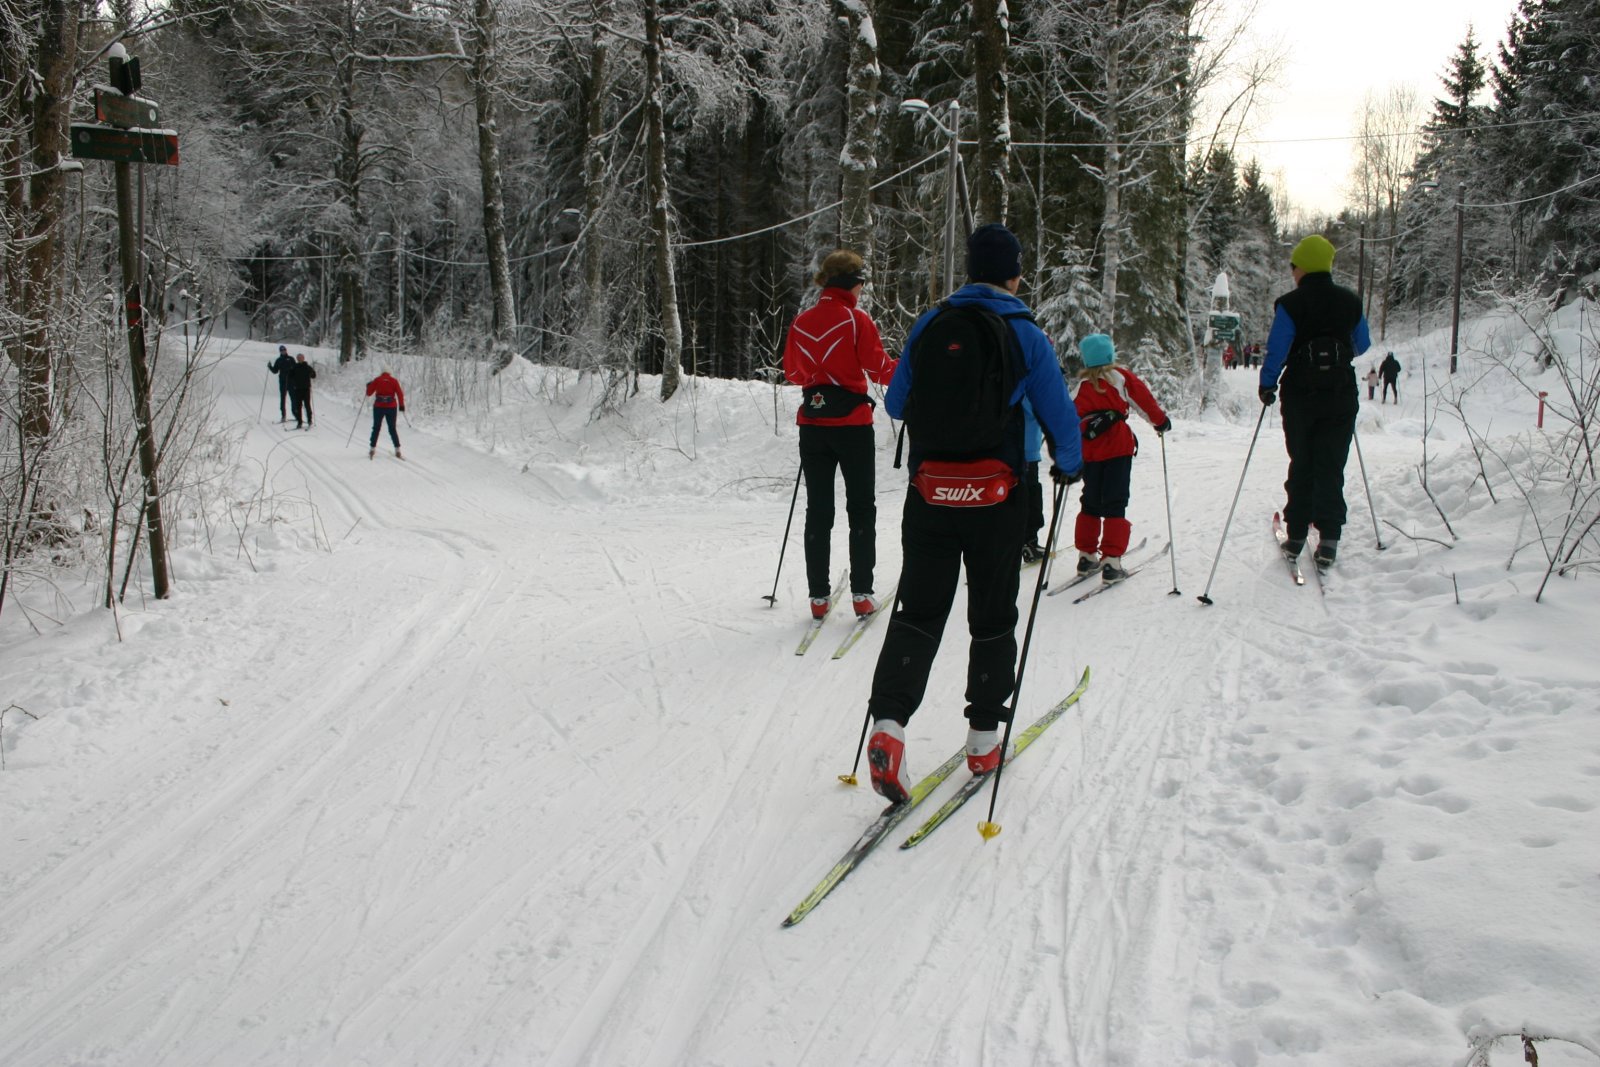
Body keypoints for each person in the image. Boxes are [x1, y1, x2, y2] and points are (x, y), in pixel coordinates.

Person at [864, 223, 1084, 802]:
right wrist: (1071, 462)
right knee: (992, 613)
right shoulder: (1023, 332)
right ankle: (984, 738)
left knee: (917, 609)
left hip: (931, 493)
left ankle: (888, 724)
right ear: (1013, 273)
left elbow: (894, 400)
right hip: (996, 496)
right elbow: (1058, 411)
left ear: (969, 270)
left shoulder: (933, 323)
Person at [781, 249, 897, 620]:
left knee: (819, 510)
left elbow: (794, 374)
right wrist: (910, 370)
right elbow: (880, 370)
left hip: (812, 426)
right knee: (861, 508)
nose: (863, 290)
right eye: (862, 283)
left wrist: (820, 379)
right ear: (852, 283)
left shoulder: (802, 321)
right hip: (853, 426)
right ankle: (862, 595)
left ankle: (818, 599)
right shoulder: (856, 320)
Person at [1259, 234, 1371, 567]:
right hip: (1340, 396)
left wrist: (1267, 385)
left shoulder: (1290, 304)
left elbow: (1277, 349)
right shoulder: (1350, 302)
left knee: (1303, 462)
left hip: (1300, 397)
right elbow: (1362, 344)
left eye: (1294, 267)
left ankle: (1295, 537)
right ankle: (1329, 540)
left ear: (1302, 268)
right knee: (1331, 466)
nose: (1293, 273)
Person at [1069, 334, 1171, 582]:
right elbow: (1144, 401)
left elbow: (1068, 418)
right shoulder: (1120, 377)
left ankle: (1086, 556)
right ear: (1109, 355)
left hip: (1090, 451)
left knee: (1090, 498)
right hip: (1117, 448)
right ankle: (1112, 562)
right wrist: (1161, 422)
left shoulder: (1079, 386)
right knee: (1116, 500)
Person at [366, 368, 406, 459]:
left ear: (382, 371)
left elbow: (369, 393)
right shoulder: (394, 381)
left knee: (376, 427)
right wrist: (401, 405)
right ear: (389, 372)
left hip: (379, 407)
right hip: (391, 407)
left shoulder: (377, 380)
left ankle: (372, 449)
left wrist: (368, 386)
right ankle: (397, 449)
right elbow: (400, 393)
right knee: (392, 428)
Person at [288, 353, 316, 429]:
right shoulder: (295, 367)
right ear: (297, 359)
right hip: (297, 389)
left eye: (301, 358)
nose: (300, 359)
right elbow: (290, 376)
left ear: (303, 358)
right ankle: (299, 422)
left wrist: (312, 373)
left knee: (307, 405)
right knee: (298, 406)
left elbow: (314, 376)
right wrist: (290, 372)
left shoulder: (307, 367)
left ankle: (309, 420)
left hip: (306, 389)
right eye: (298, 358)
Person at [268, 345, 294, 422]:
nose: (283, 351)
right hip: (282, 381)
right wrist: (270, 367)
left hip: (291, 381)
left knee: (294, 398)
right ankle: (283, 415)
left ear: (286, 350)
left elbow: (295, 369)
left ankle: (296, 414)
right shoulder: (279, 360)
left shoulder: (291, 359)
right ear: (280, 352)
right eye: (282, 350)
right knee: (283, 398)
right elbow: (275, 371)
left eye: (284, 350)